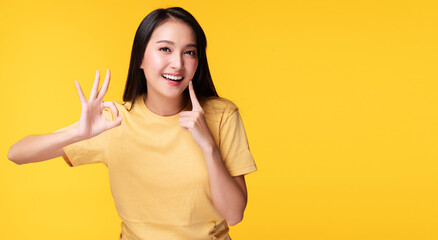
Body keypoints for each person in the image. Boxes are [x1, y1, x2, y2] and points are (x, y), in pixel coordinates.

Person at [7, 7, 257, 240]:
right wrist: (77, 133)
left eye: (189, 52)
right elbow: (17, 154)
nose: (178, 63)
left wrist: (209, 147)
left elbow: (234, 215)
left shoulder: (221, 115)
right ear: (140, 58)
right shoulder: (115, 120)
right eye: (165, 49)